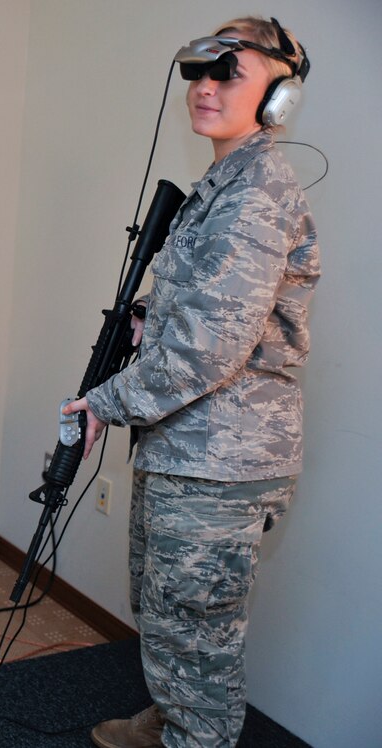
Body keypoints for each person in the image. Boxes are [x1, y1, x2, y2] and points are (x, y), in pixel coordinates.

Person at [62, 17, 320, 748]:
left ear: (279, 96)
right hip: (185, 445)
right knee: (167, 609)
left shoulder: (256, 193)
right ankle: (172, 718)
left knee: (197, 632)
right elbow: (206, 306)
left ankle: (194, 730)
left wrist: (103, 403)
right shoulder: (222, 182)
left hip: (222, 458)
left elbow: (210, 351)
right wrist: (148, 316)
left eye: (227, 72)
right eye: (194, 73)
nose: (204, 88)